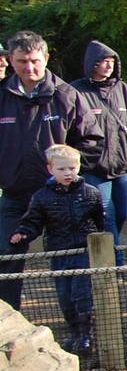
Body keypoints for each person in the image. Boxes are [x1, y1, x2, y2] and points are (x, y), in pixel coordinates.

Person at [0, 31, 99, 311]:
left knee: (70, 262)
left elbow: (92, 141)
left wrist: (68, 172)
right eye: (22, 61)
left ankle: (79, 324)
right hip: (16, 194)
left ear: (46, 58)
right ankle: (8, 324)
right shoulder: (2, 96)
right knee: (6, 256)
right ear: (11, 61)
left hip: (62, 196)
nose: (29, 67)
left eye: (34, 61)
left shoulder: (66, 95)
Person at [8, 144, 105, 353]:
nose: (68, 173)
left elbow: (100, 221)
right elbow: (33, 220)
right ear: (50, 169)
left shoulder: (91, 193)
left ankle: (86, 335)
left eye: (72, 168)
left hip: (83, 251)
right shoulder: (42, 196)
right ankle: (75, 333)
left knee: (82, 294)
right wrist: (23, 233)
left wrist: (102, 244)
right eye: (61, 169)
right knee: (65, 296)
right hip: (58, 252)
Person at [70, 41, 127, 264]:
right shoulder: (76, 90)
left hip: (123, 167)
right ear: (92, 63)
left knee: (121, 214)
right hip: (94, 168)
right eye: (103, 61)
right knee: (106, 215)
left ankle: (105, 255)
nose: (108, 66)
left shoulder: (123, 89)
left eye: (111, 62)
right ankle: (116, 263)